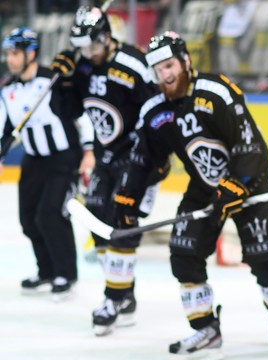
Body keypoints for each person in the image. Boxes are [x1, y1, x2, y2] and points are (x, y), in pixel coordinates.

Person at [113, 31, 268, 360]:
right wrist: (127, 199)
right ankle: (207, 331)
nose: (165, 75)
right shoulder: (155, 110)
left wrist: (238, 184)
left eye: (169, 65)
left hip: (247, 180)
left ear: (184, 62)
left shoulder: (216, 91)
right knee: (183, 252)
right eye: (157, 69)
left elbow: (250, 144)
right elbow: (144, 160)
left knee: (267, 261)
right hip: (204, 187)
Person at [50, 6, 164, 335]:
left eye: (91, 46)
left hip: (137, 156)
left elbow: (158, 111)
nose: (86, 53)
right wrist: (64, 83)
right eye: (81, 47)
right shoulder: (83, 65)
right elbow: (68, 112)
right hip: (106, 156)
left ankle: (113, 298)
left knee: (123, 221)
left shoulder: (133, 64)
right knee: (98, 222)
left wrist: (154, 161)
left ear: (105, 37)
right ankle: (124, 293)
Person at [0, 27, 95, 301]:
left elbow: (82, 115)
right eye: (8, 53)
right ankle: (47, 270)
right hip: (34, 160)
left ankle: (66, 273)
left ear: (31, 53)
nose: (10, 59)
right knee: (28, 219)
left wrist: (89, 150)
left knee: (50, 214)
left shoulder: (52, 80)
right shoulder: (9, 90)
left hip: (63, 158)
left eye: (15, 53)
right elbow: (6, 128)